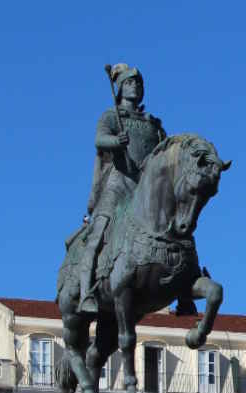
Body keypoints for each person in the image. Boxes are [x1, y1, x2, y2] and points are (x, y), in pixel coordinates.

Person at [75, 63, 168, 313]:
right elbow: (99, 139)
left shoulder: (153, 124)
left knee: (174, 223)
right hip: (119, 184)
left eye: (138, 83)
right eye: (129, 82)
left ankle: (184, 284)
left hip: (144, 189)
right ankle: (85, 292)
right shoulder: (112, 116)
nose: (134, 86)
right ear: (119, 88)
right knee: (98, 233)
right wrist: (116, 141)